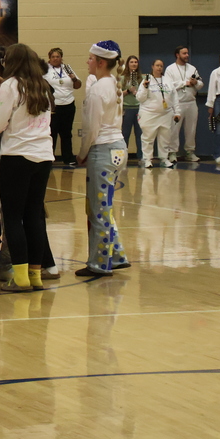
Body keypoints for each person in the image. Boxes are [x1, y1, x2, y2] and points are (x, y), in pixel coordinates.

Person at [0, 44, 54, 291]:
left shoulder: (10, 85)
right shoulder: (43, 86)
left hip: (17, 156)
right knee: (34, 217)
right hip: (44, 156)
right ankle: (35, 276)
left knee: (13, 218)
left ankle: (21, 278)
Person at [75, 40, 130, 277]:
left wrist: (82, 152)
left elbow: (92, 127)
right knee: (105, 206)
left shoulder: (98, 89)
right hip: (118, 148)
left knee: (97, 209)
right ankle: (116, 255)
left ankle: (99, 263)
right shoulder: (112, 85)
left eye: (89, 58)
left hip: (104, 150)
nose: (87, 62)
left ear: (100, 62)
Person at [137, 59, 180, 169]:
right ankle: (147, 159)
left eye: (161, 66)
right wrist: (146, 88)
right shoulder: (146, 80)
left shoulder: (167, 81)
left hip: (166, 114)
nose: (159, 68)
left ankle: (164, 158)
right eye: (157, 65)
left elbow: (174, 96)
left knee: (165, 137)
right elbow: (140, 98)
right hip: (149, 113)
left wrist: (177, 112)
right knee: (148, 138)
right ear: (152, 66)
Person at [163, 46, 204, 162]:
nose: (187, 55)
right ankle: (172, 152)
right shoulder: (170, 69)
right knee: (174, 129)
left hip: (191, 102)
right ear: (177, 54)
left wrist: (195, 82)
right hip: (177, 104)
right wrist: (184, 83)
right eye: (184, 53)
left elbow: (201, 84)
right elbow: (168, 85)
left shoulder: (192, 69)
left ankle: (190, 152)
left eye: (187, 53)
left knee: (191, 129)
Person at [43, 47, 80, 166]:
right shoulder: (45, 70)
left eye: (57, 56)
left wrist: (73, 78)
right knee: (52, 132)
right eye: (53, 57)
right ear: (49, 58)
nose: (55, 59)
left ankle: (68, 158)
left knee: (66, 133)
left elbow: (78, 85)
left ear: (61, 58)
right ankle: (49, 158)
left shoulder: (67, 68)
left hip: (68, 104)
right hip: (54, 106)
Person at [119, 55, 143, 159]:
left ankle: (141, 156)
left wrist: (138, 93)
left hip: (138, 108)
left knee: (140, 134)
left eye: (135, 62)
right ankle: (123, 157)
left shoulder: (140, 78)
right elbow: (118, 93)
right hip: (127, 109)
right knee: (125, 134)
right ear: (128, 64)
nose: (134, 64)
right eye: (132, 62)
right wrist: (129, 91)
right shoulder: (123, 78)